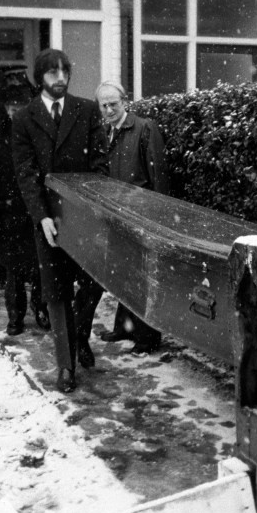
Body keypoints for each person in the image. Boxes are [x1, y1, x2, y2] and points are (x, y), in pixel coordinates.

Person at [12, 49, 109, 393]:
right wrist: (42, 218)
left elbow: (99, 166)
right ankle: (65, 365)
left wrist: (90, 211)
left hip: (83, 218)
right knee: (56, 291)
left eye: (64, 72)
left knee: (95, 281)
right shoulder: (25, 118)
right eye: (52, 73)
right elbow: (25, 174)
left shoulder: (86, 111)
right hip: (50, 222)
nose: (60, 79)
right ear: (40, 79)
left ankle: (80, 335)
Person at [75, 81, 171, 354]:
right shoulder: (104, 132)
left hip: (141, 215)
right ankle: (124, 328)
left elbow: (158, 178)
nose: (108, 109)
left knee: (142, 277)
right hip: (116, 216)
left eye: (113, 104)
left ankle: (146, 339)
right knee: (122, 274)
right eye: (103, 105)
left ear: (125, 102)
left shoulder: (144, 128)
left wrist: (157, 218)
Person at [0, 77, 50, 336]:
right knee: (14, 271)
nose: (14, 111)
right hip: (8, 217)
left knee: (42, 267)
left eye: (20, 105)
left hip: (38, 214)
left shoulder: (41, 134)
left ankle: (41, 308)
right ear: (4, 107)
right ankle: (15, 316)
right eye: (10, 106)